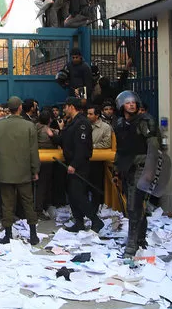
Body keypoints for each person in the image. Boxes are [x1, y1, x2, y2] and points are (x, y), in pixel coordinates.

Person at [113, 90, 161, 257]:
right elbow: (120, 149)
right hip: (127, 167)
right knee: (134, 205)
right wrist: (116, 169)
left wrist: (150, 170)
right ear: (121, 106)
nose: (131, 104)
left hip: (141, 167)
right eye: (128, 102)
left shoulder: (145, 121)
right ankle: (140, 238)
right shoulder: (119, 124)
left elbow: (153, 147)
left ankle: (132, 245)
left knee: (133, 207)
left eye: (133, 102)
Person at [0, 96, 40, 244]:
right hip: (24, 171)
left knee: (7, 203)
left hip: (5, 170)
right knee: (28, 203)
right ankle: (33, 234)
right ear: (20, 108)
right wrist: (35, 169)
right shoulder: (29, 126)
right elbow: (33, 151)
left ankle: (8, 234)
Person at [48, 97, 103, 233]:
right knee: (72, 195)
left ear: (71, 107)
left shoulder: (82, 123)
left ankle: (95, 220)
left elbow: (81, 147)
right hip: (71, 163)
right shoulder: (72, 122)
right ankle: (79, 222)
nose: (64, 110)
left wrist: (74, 164)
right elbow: (66, 141)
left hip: (79, 165)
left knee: (78, 195)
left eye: (65, 107)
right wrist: (53, 135)